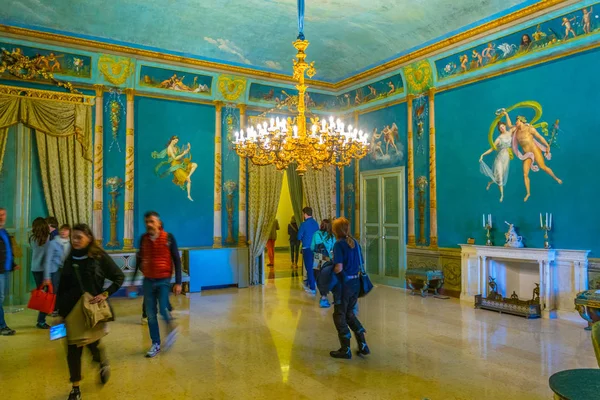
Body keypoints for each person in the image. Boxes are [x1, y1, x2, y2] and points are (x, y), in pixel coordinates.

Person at [56, 223, 124, 400]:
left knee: (93, 345)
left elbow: (118, 276)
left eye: (79, 237)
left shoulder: (98, 256)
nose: (75, 241)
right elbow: (62, 286)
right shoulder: (70, 258)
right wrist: (59, 313)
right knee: (73, 350)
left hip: (91, 312)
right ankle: (75, 388)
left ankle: (101, 362)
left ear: (89, 238)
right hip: (71, 311)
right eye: (73, 237)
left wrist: (105, 294)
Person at [133, 211, 182, 358]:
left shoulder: (168, 238)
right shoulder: (143, 239)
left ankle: (171, 329)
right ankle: (156, 344)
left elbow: (176, 260)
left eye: (152, 221)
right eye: (147, 222)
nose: (149, 224)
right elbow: (139, 258)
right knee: (150, 314)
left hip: (163, 279)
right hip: (148, 280)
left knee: (162, 308)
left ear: (159, 223)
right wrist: (133, 280)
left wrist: (178, 282)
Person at [329, 217, 369, 359]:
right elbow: (360, 263)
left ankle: (345, 349)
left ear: (335, 230)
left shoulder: (339, 245)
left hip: (344, 286)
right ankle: (363, 344)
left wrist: (328, 272)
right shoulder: (355, 243)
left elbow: (339, 267)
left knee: (339, 315)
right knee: (350, 313)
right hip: (356, 284)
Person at [513, 115, 562, 202]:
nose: (515, 123)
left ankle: (556, 178)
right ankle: (528, 193)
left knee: (543, 167)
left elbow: (539, 137)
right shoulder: (516, 133)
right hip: (527, 154)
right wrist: (505, 114)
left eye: (517, 121)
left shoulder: (529, 128)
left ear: (521, 121)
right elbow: (509, 125)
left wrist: (547, 146)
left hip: (535, 150)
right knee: (525, 174)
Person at [479, 111, 514, 202]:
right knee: (500, 177)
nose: (502, 128)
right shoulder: (498, 139)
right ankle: (502, 195)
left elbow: (516, 126)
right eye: (500, 128)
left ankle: (490, 182)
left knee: (499, 176)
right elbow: (492, 149)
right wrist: (483, 154)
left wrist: (506, 114)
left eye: (502, 126)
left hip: (506, 158)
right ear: (499, 129)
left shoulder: (510, 132)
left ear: (504, 126)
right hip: (499, 159)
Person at [30, 217, 53, 329]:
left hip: (34, 268)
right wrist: (47, 276)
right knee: (46, 295)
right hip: (44, 270)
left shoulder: (32, 238)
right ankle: (41, 321)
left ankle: (41, 319)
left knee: (42, 294)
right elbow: (47, 257)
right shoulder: (47, 239)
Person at [0, 207, 19, 336]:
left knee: (1, 298)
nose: (2, 217)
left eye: (3, 214)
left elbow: (7, 250)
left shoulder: (4, 231)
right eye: (0, 215)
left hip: (5, 270)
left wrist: (13, 264)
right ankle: (2, 326)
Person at [311, 219, 336, 308]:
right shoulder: (332, 236)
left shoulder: (316, 234)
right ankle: (329, 296)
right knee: (327, 277)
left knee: (318, 277)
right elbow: (334, 248)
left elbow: (312, 247)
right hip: (328, 259)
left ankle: (323, 297)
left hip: (318, 259)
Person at [297, 207, 319, 295]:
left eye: (303, 214)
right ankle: (313, 282)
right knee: (315, 267)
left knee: (309, 267)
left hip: (307, 248)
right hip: (316, 249)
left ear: (305, 214)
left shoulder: (303, 224)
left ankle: (312, 288)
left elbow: (298, 237)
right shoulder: (315, 223)